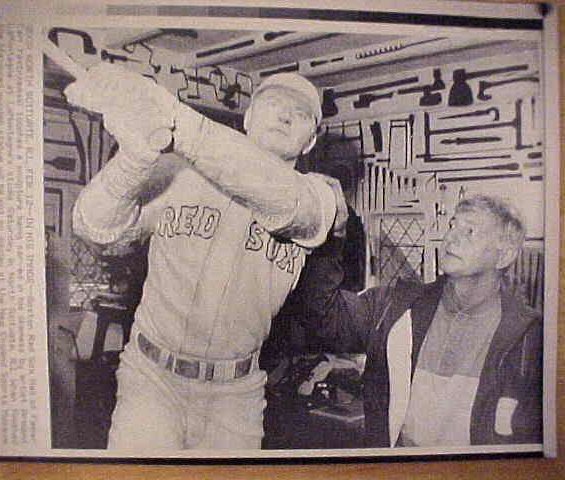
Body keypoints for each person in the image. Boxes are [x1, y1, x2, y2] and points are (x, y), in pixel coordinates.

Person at [65, 63, 348, 451]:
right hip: (152, 380)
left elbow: (277, 194)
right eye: (274, 104)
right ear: (248, 116)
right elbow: (93, 226)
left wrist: (172, 117)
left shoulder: (319, 196)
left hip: (236, 396)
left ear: (310, 142)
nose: (285, 115)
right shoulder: (181, 171)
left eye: (300, 114)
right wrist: (132, 159)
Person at [300, 194, 542, 447]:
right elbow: (322, 315)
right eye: (452, 225)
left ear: (504, 256)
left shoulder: (529, 337)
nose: (450, 238)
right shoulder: (393, 307)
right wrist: (332, 238)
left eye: (469, 231)